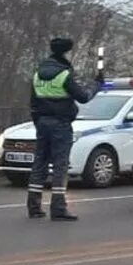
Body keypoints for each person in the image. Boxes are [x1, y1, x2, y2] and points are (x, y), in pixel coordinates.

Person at [28, 36, 103, 221]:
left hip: (43, 122)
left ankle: (33, 206)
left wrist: (38, 121)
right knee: (60, 165)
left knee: (39, 163)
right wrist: (97, 84)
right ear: (66, 54)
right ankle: (58, 207)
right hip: (60, 124)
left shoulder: (37, 74)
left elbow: (33, 103)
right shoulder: (64, 75)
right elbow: (84, 97)